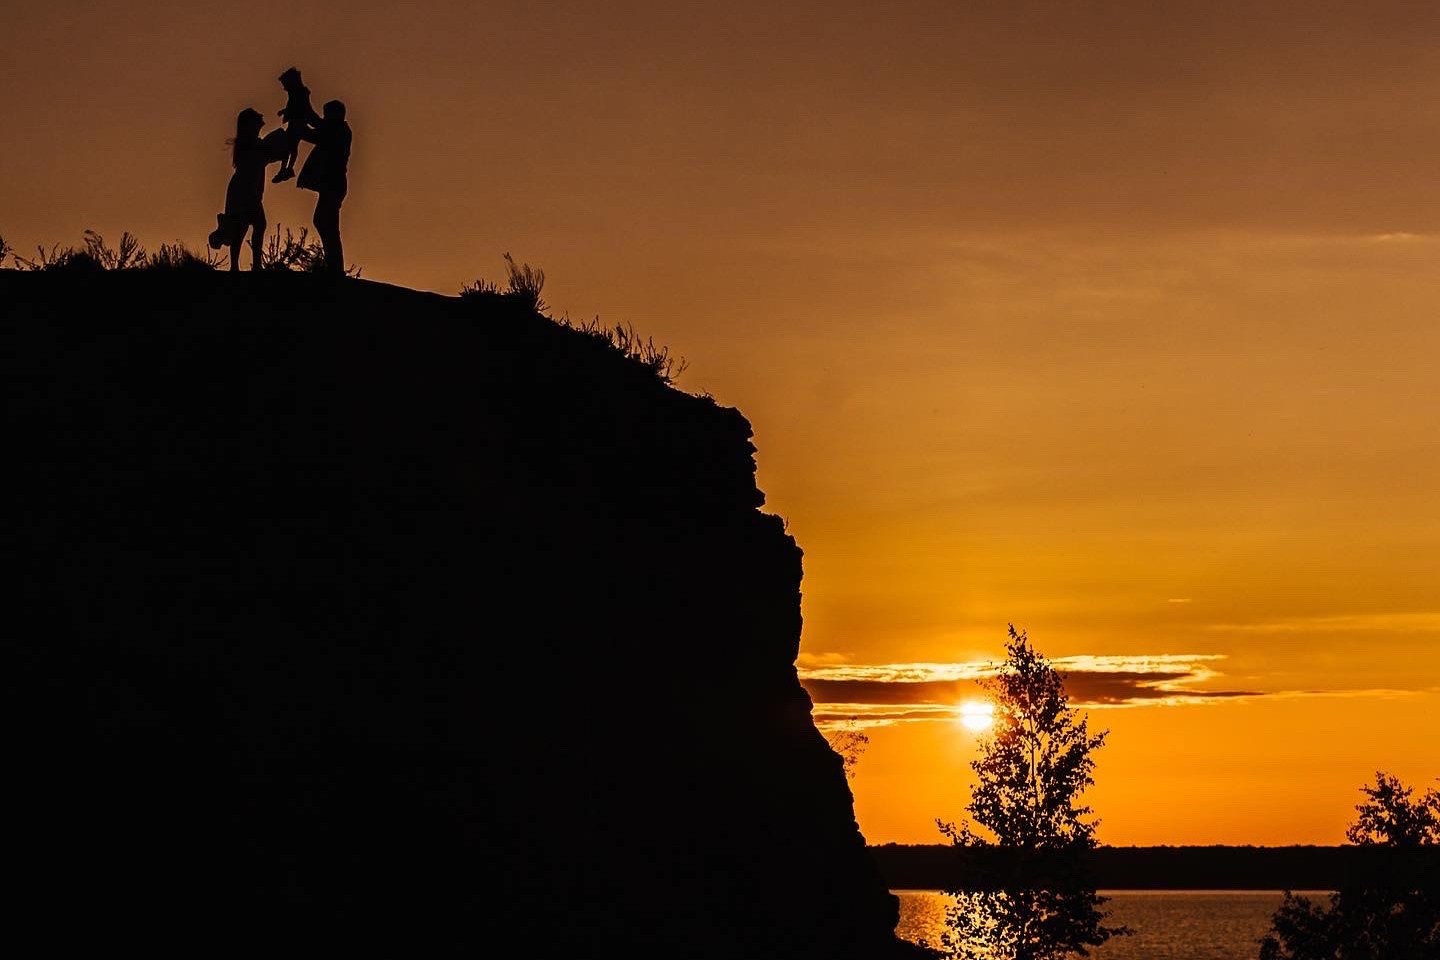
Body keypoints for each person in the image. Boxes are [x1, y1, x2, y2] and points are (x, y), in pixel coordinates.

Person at [208, 108, 288, 271]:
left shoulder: (252, 145)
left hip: (243, 190)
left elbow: (268, 155)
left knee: (244, 226)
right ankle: (252, 265)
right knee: (254, 224)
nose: (261, 118)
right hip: (245, 191)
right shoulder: (252, 145)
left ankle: (238, 266)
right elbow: (265, 155)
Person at [296, 99, 352, 276]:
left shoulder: (338, 131)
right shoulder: (335, 130)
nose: (325, 118)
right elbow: (316, 126)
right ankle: (334, 267)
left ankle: (335, 268)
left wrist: (300, 122)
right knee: (325, 222)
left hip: (333, 184)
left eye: (327, 114)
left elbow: (315, 131)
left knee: (326, 223)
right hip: (332, 184)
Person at [272, 67, 318, 184]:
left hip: (297, 125)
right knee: (289, 148)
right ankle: (285, 169)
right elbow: (293, 107)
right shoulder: (295, 93)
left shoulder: (300, 93)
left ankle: (287, 169)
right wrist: (284, 111)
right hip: (294, 124)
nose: (284, 88)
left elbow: (300, 108)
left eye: (285, 85)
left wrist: (286, 112)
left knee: (290, 147)